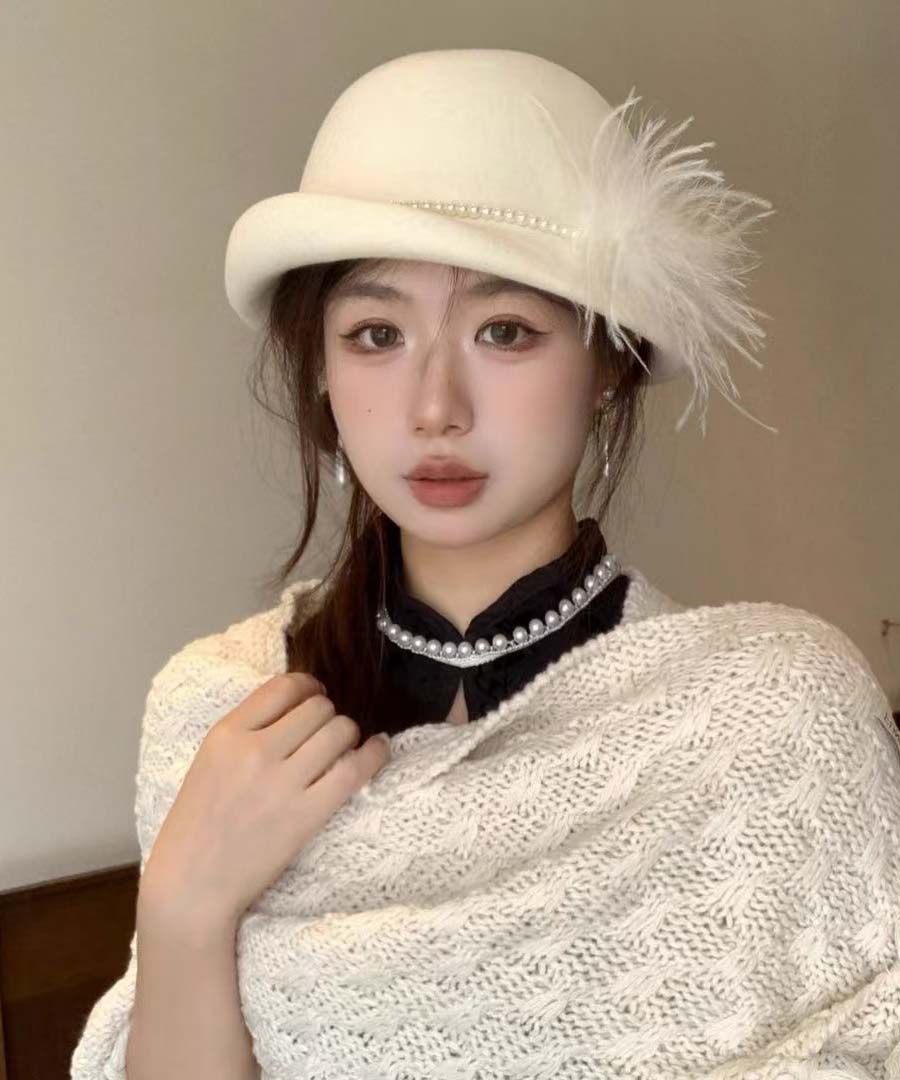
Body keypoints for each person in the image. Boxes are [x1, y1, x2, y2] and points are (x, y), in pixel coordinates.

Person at [71, 49, 900, 1080]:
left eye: (505, 331)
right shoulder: (215, 708)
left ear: (609, 364)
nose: (435, 407)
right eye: (376, 334)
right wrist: (183, 908)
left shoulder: (775, 711)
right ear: (321, 371)